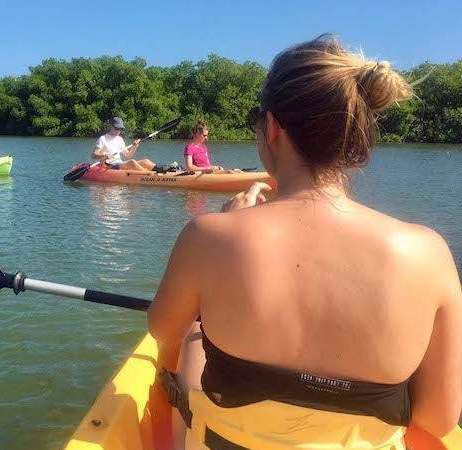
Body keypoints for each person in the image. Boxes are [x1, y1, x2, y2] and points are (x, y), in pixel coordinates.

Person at [148, 35, 461, 449]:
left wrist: (231, 233)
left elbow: (162, 329)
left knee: (189, 345)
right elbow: (437, 419)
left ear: (273, 127)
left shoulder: (208, 237)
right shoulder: (428, 253)